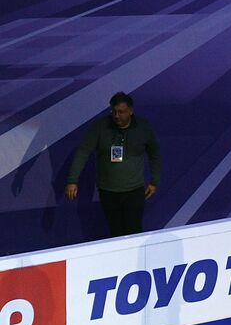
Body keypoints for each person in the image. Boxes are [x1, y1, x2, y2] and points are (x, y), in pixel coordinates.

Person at [65, 91, 162, 238]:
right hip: (108, 191)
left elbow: (154, 154)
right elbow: (83, 152)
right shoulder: (100, 127)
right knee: (115, 232)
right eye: (114, 112)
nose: (117, 116)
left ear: (131, 111)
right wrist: (72, 180)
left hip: (134, 191)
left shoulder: (143, 127)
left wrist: (155, 180)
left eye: (121, 112)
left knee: (134, 231)